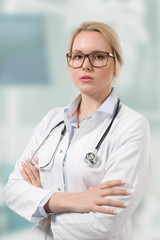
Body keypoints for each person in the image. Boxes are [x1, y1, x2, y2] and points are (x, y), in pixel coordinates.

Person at [4, 21, 151, 240]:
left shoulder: (131, 126)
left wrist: (43, 206)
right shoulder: (52, 120)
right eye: (77, 56)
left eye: (98, 57)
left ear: (117, 64)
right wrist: (76, 200)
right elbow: (13, 191)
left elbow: (106, 222)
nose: (86, 65)